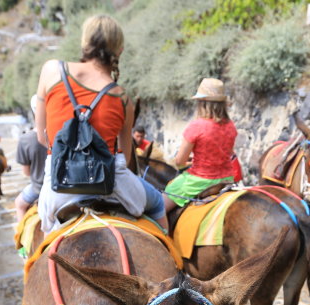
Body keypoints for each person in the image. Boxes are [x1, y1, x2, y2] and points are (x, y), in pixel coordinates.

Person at [34, 14, 167, 232]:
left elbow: (42, 136)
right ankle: (174, 264)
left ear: (84, 42)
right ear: (119, 50)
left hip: (58, 187)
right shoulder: (122, 97)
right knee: (159, 202)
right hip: (111, 184)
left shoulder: (52, 70)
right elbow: (125, 155)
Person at [162, 78, 240, 214]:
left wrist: (188, 162)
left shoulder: (197, 126)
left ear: (202, 103)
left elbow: (179, 162)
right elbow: (226, 153)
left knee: (158, 209)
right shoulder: (230, 126)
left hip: (200, 180)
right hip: (226, 179)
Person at [15, 95, 49, 221]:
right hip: (67, 185)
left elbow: (26, 172)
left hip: (39, 188)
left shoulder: (25, 139)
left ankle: (21, 239)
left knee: (19, 204)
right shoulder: (63, 132)